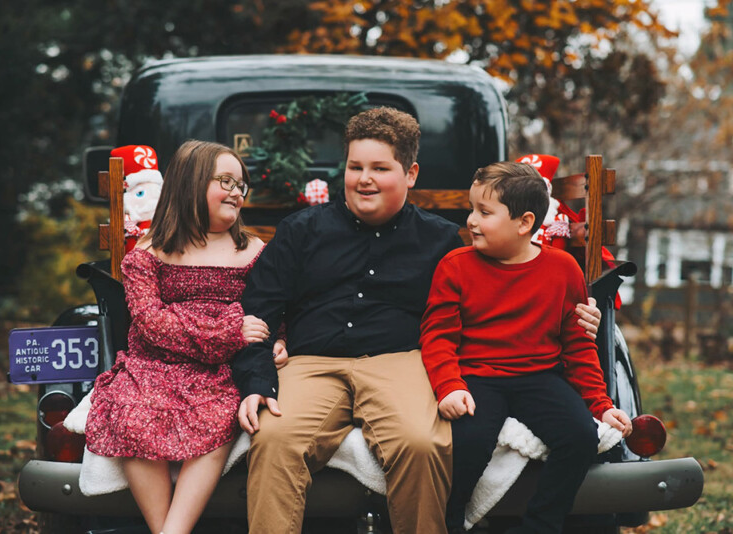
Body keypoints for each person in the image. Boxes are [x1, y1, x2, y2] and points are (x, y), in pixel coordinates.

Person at [232, 108, 602, 533]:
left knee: (422, 442)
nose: (364, 179)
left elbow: (500, 291)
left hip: (400, 361)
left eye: (379, 168)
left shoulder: (439, 239)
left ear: (410, 174)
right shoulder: (301, 230)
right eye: (355, 167)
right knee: (275, 439)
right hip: (312, 362)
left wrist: (577, 316)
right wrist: (258, 380)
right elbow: (259, 309)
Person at [419, 162, 633, 534]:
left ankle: (540, 525)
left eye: (484, 212)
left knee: (581, 437)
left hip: (540, 378)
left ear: (524, 223)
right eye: (472, 209)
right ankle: (449, 524)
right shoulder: (455, 266)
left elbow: (578, 347)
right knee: (468, 442)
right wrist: (449, 386)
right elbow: (438, 337)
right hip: (478, 377)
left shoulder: (563, 269)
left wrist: (600, 404)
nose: (471, 220)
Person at [85, 140, 286, 534]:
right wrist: (229, 328)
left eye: (241, 185)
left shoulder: (253, 251)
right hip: (153, 366)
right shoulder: (149, 252)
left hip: (220, 372)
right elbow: (151, 322)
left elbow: (272, 310)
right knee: (130, 413)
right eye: (225, 181)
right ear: (189, 183)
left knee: (217, 419)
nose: (236, 192)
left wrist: (279, 339)